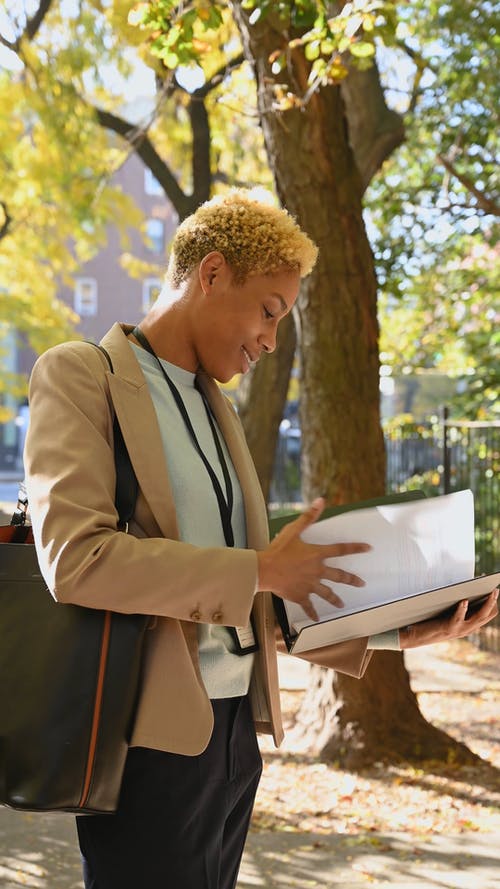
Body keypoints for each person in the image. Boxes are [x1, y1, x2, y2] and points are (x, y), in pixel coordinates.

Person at [24, 190, 498, 889]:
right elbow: (76, 558)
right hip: (146, 739)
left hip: (234, 737)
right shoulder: (80, 375)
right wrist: (257, 568)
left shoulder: (216, 407)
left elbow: (255, 597)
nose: (272, 340)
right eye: (269, 311)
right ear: (211, 273)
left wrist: (394, 633)